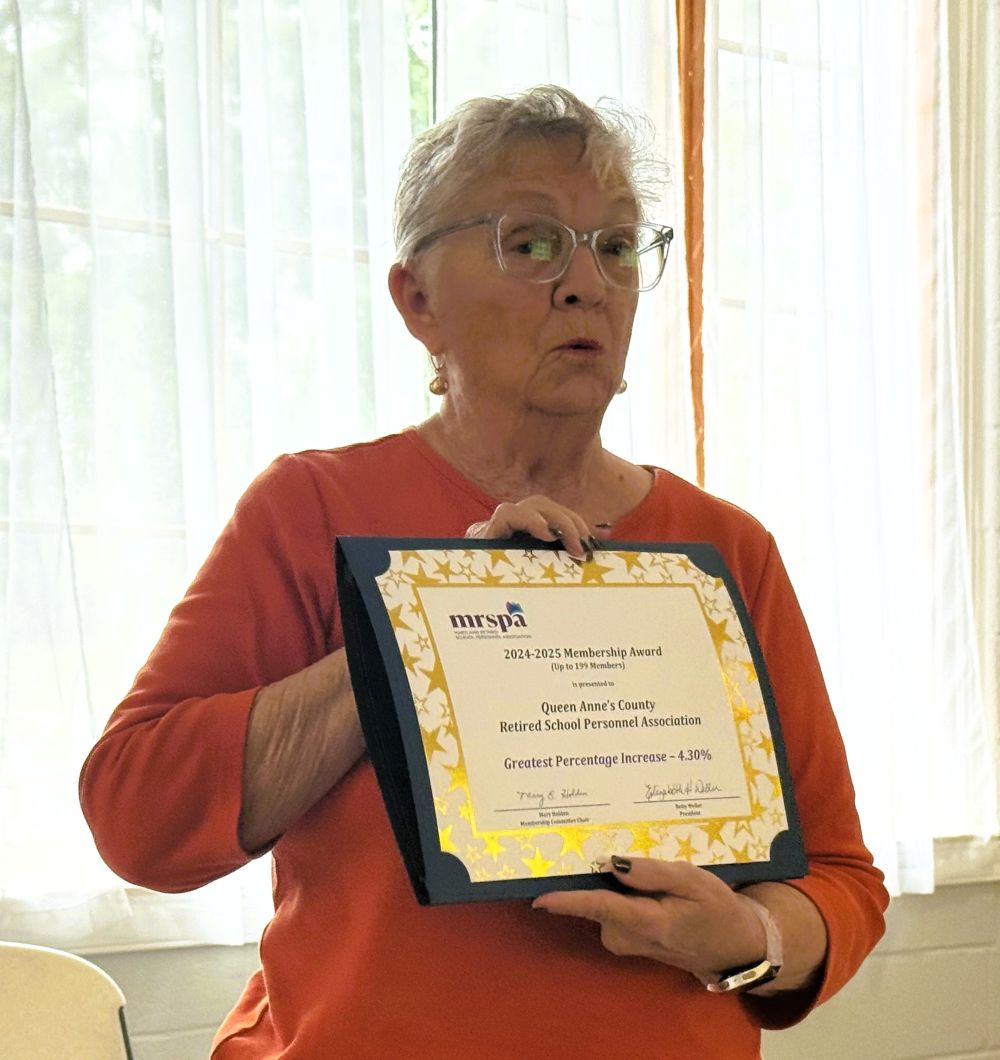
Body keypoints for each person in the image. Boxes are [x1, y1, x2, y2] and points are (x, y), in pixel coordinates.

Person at [80, 85, 888, 1058]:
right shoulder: (311, 506)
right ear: (417, 300)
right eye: (533, 243)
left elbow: (839, 878)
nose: (588, 284)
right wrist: (428, 615)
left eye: (617, 246)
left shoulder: (724, 547)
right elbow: (137, 817)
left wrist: (750, 940)